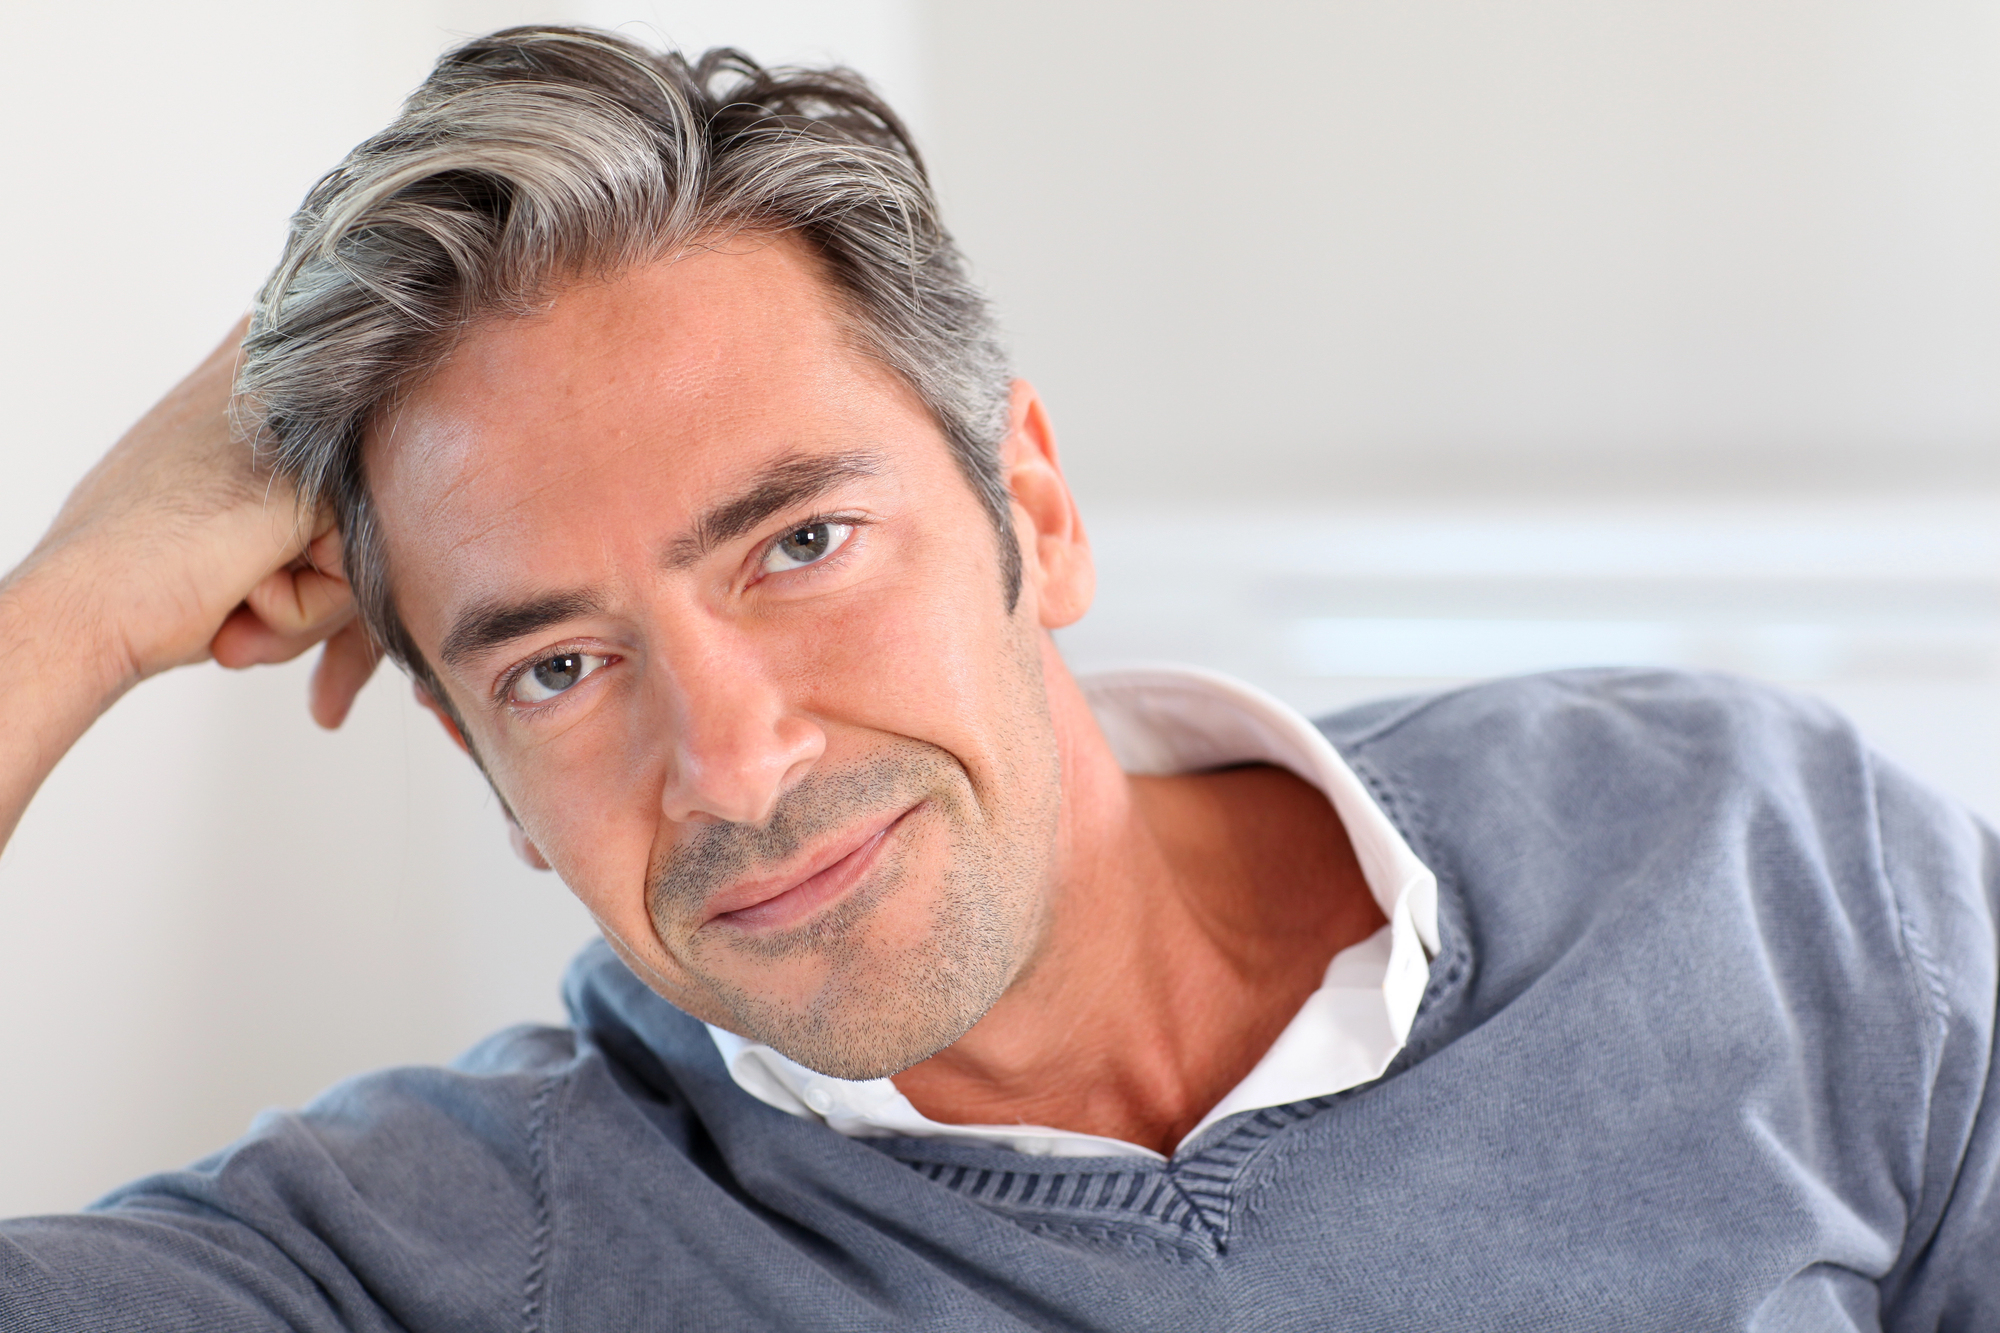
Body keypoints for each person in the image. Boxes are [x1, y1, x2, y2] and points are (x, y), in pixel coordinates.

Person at [0, 24, 1994, 1331]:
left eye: (797, 544)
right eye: (559, 668)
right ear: (475, 766)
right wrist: (75, 606)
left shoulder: (1760, 865)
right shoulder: (455, 1252)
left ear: (1027, 505)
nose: (732, 760)